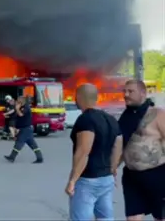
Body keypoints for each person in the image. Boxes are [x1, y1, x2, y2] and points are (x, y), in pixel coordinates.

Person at [65, 84, 122, 221]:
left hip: (87, 180)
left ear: (78, 98)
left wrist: (73, 180)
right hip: (106, 178)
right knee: (105, 217)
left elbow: (84, 151)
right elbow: (118, 145)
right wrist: (113, 169)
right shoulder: (111, 119)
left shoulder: (85, 119)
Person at [116, 79, 164, 221]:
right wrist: (111, 169)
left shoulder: (158, 114)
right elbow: (121, 146)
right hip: (132, 176)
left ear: (143, 93)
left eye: (131, 91)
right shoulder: (125, 117)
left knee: (160, 217)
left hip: (158, 174)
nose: (126, 94)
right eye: (124, 91)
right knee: (133, 218)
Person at [4, 96, 43, 163]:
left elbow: (21, 115)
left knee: (19, 143)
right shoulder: (21, 107)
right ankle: (40, 158)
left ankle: (12, 157)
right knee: (33, 144)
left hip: (25, 129)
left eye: (18, 101)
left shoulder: (26, 107)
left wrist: (17, 109)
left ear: (21, 102)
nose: (16, 102)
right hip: (25, 129)